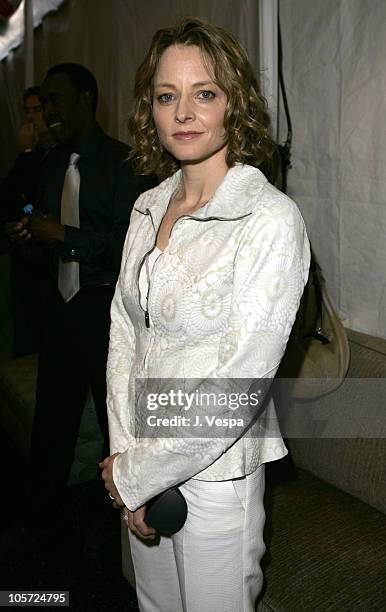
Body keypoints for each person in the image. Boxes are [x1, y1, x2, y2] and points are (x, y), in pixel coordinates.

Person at [101, 18, 310, 612]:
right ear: (152, 108)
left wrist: (138, 476)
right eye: (168, 96)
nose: (184, 112)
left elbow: (241, 385)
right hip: (139, 455)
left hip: (217, 476)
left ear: (234, 105)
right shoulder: (147, 205)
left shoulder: (269, 219)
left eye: (205, 93)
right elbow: (124, 334)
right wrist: (126, 462)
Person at [5, 63, 156, 536]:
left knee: (116, 418)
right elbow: (44, 239)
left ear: (86, 100)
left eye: (56, 100)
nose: (48, 111)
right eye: (44, 103)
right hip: (60, 309)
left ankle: (120, 514)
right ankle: (41, 520)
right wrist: (30, 237)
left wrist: (64, 236)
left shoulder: (124, 165)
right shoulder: (49, 164)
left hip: (105, 312)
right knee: (54, 419)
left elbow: (125, 247)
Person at [0, 87, 52, 355]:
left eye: (37, 110)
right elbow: (10, 196)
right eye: (27, 111)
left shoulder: (53, 150)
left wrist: (29, 151)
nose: (31, 118)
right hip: (24, 253)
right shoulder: (33, 153)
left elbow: (33, 193)